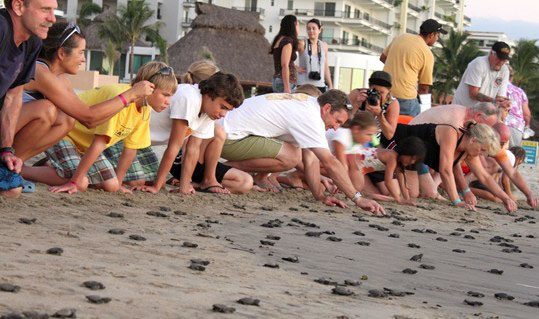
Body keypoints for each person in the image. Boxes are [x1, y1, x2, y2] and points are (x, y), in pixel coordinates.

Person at [220, 90, 385, 215]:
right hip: (228, 138)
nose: (336, 127)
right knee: (291, 156)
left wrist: (320, 196)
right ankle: (221, 170)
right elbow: (330, 163)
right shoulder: (310, 117)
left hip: (226, 133)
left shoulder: (308, 104)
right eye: (337, 121)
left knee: (296, 152)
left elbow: (310, 159)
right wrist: (358, 198)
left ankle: (220, 169)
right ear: (327, 108)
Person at [22, 61, 177, 193]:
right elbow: (99, 143)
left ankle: (52, 166)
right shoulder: (121, 97)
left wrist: (119, 183)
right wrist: (74, 182)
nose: (168, 102)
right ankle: (22, 171)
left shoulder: (144, 108)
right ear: (147, 87)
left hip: (85, 146)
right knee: (81, 183)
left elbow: (131, 149)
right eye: (165, 95)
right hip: (64, 134)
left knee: (111, 185)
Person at [16, 22, 154, 163]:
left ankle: (16, 164)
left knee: (67, 119)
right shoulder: (41, 72)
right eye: (81, 52)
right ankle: (7, 166)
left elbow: (88, 120)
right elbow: (88, 117)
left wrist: (129, 98)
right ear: (62, 53)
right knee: (46, 110)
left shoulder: (62, 79)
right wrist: (131, 94)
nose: (84, 59)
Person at [134, 69, 252, 195]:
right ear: (209, 94)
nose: (223, 114)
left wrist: (184, 186)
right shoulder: (189, 98)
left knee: (153, 181)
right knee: (138, 182)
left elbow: (193, 149)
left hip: (141, 143)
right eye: (222, 107)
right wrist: (157, 187)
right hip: (127, 137)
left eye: (228, 110)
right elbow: (174, 146)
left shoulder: (208, 111)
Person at [387, 121, 517, 213]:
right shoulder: (451, 133)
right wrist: (456, 201)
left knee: (418, 194)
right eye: (482, 149)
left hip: (413, 161)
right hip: (395, 142)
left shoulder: (469, 150)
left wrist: (505, 197)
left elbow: (484, 176)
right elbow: (445, 170)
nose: (481, 154)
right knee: (397, 192)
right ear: (473, 140)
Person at [0, 0, 56, 197]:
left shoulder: (32, 43)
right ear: (18, 7)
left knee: (12, 189)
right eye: (44, 10)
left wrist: (6, 150)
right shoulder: (1, 29)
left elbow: (13, 96)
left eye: (53, 10)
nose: (52, 18)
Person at [380, 19, 446, 116]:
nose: (437, 39)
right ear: (431, 35)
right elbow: (423, 88)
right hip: (405, 98)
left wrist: (397, 66)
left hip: (384, 93)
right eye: (437, 36)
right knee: (412, 126)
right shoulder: (427, 54)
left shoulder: (401, 38)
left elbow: (383, 58)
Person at [453, 41, 511, 109]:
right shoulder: (479, 63)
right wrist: (493, 101)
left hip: (482, 114)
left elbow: (500, 97)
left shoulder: (505, 70)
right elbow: (473, 94)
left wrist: (503, 102)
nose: (501, 62)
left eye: (504, 60)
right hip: (462, 109)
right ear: (491, 53)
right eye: (499, 58)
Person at [297, 18, 333, 93]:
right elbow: (288, 58)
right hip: (304, 86)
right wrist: (295, 67)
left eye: (314, 28)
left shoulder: (324, 46)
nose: (311, 31)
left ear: (320, 30)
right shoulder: (302, 44)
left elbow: (325, 67)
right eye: (308, 29)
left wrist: (330, 85)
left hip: (320, 86)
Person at [270, 15, 299, 93]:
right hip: (284, 82)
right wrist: (287, 87)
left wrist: (296, 68)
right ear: (294, 25)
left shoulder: (279, 39)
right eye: (298, 24)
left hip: (278, 79)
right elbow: (285, 65)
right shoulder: (287, 41)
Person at [505, 66, 533, 147]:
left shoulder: (494, 88)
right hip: (515, 127)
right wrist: (527, 125)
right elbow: (526, 114)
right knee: (512, 155)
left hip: (496, 123)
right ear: (511, 77)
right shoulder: (519, 91)